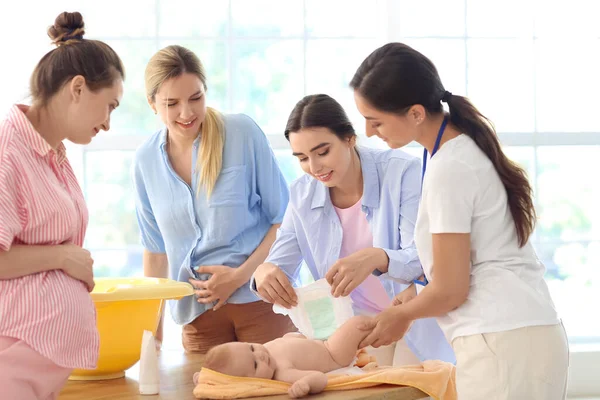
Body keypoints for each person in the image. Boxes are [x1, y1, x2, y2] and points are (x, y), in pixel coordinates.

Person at [351, 42, 569, 399]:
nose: (370, 132)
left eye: (375, 121)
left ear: (416, 113)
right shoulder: (453, 152)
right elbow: (461, 267)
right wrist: (412, 302)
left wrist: (401, 317)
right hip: (516, 334)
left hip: (503, 340)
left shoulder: (449, 167)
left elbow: (452, 289)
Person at [252, 94, 455, 366]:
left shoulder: (402, 173)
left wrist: (377, 257)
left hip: (414, 318)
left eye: (323, 152)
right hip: (355, 328)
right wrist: (262, 273)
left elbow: (424, 258)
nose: (314, 168)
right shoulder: (302, 194)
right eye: (302, 158)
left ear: (350, 138)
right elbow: (280, 264)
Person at [133, 45, 295, 354]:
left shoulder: (242, 133)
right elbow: (155, 254)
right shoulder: (145, 162)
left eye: (196, 98)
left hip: (261, 301)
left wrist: (237, 277)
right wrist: (151, 340)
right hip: (198, 318)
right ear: (152, 104)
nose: (187, 113)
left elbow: (284, 220)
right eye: (172, 103)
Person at [0, 11, 125, 400]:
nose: (107, 123)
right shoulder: (8, 152)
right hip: (11, 357)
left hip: (36, 367)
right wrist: (62, 258)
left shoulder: (53, 154)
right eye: (110, 105)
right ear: (77, 88)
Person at [196, 315, 373, 399]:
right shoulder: (282, 372)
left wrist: (205, 377)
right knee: (357, 325)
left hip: (315, 339)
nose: (260, 355)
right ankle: (383, 322)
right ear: (252, 381)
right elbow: (320, 378)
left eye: (251, 348)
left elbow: (218, 373)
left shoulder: (264, 350)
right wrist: (306, 384)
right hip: (332, 353)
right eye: (256, 366)